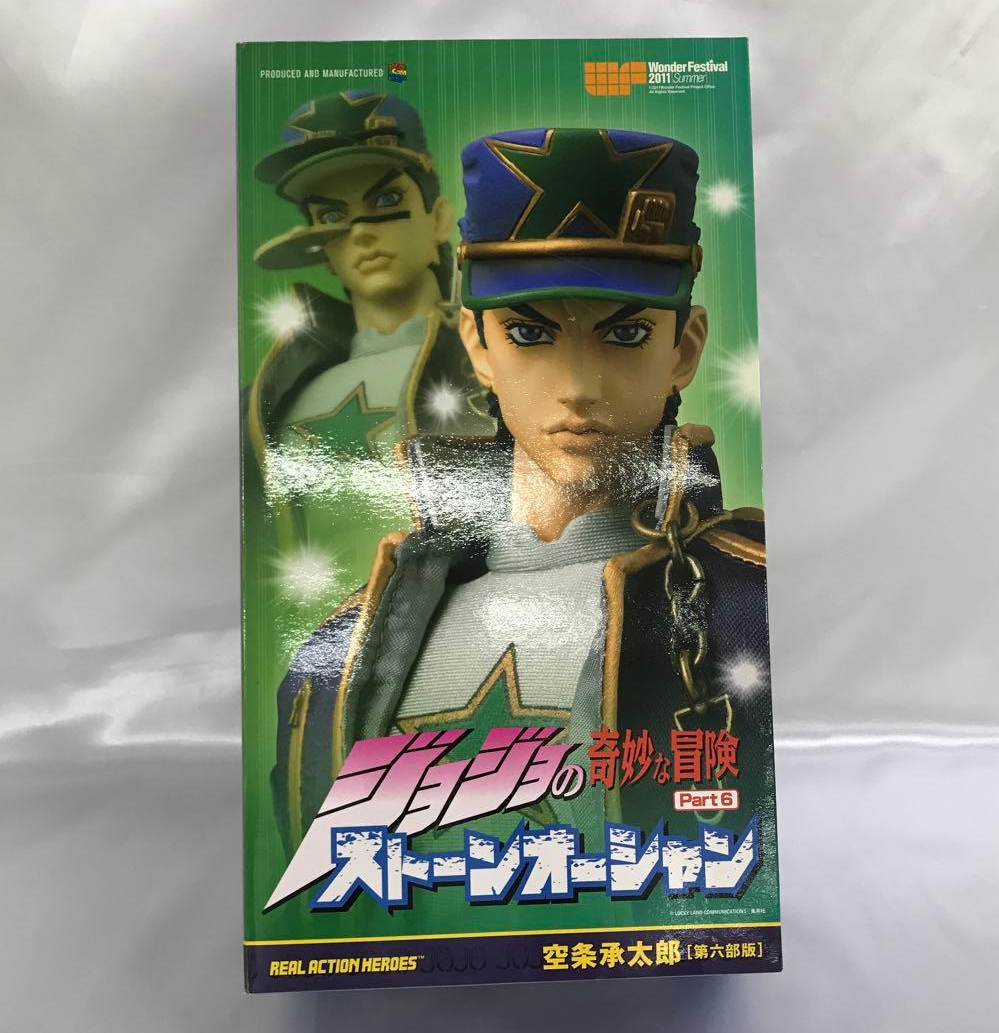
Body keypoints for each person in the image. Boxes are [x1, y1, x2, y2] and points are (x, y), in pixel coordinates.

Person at [271, 126, 773, 852]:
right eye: (530, 335)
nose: (577, 387)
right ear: (477, 345)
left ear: (685, 349)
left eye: (625, 335)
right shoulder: (338, 652)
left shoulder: (751, 603)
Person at [246, 90, 490, 599]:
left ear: (438, 217)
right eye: (332, 216)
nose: (360, 232)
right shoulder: (268, 400)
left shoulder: (495, 362)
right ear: (323, 249)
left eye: (386, 202)